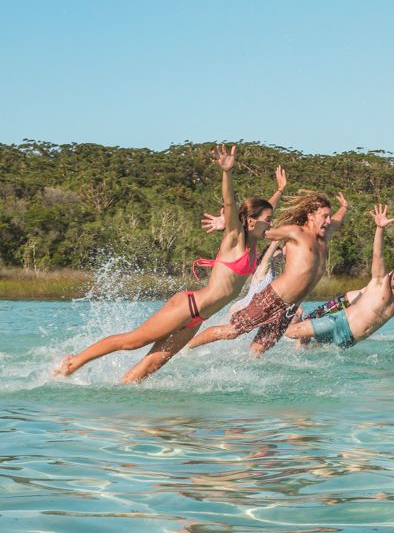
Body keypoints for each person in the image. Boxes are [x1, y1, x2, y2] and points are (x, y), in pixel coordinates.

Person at [54, 145, 286, 382]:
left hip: (198, 318)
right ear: (249, 222)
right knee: (134, 341)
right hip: (188, 307)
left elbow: (266, 208)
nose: (270, 224)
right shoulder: (235, 239)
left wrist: (279, 190)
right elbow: (230, 204)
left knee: (153, 364)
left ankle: (124, 394)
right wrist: (226, 172)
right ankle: (73, 362)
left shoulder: (254, 242)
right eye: (267, 221)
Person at [186, 189, 348, 355]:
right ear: (310, 215)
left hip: (290, 308)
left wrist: (344, 207)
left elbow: (337, 220)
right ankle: (185, 348)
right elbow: (260, 232)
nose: (328, 221)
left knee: (259, 350)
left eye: (329, 216)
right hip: (273, 298)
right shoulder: (295, 232)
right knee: (232, 331)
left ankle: (243, 375)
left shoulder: (325, 234)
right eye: (324, 216)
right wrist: (226, 224)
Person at [284, 205, 394, 349]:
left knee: (310, 349)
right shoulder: (379, 282)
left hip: (348, 340)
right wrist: (379, 229)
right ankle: (273, 327)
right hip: (339, 322)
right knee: (293, 332)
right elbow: (378, 254)